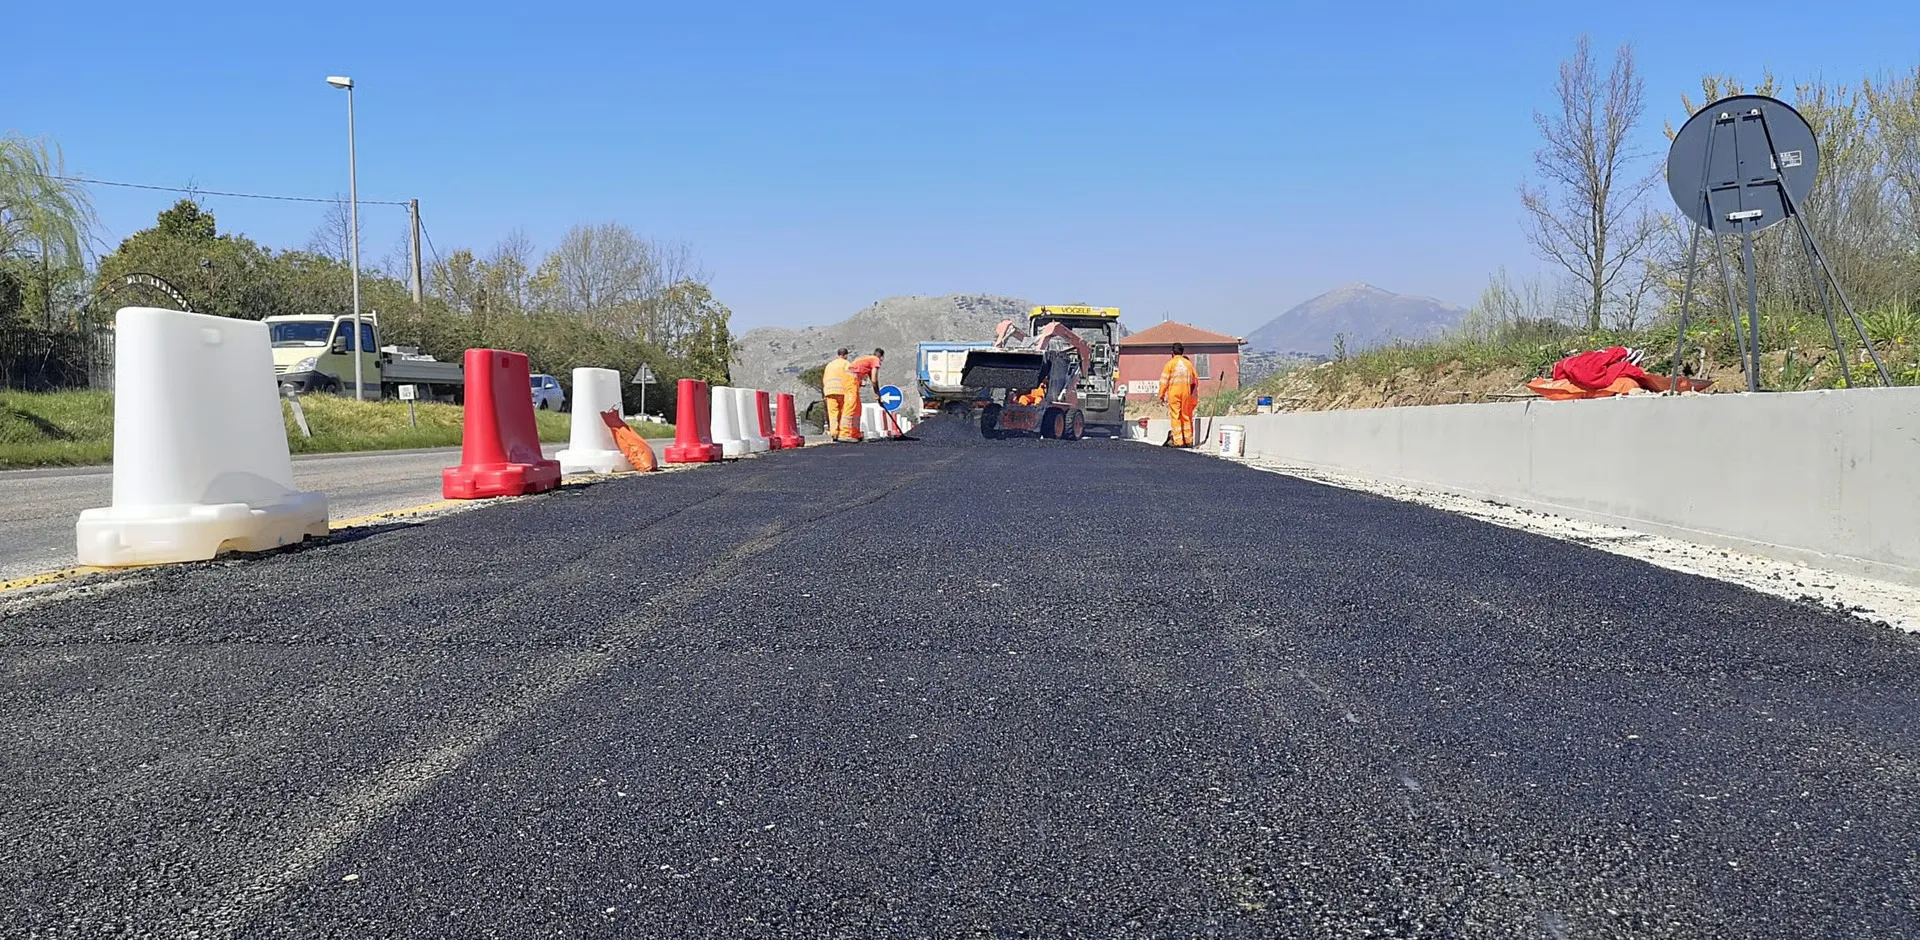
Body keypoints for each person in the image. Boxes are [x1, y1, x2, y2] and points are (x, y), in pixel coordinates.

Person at [1158, 342, 1199, 448]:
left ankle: (1179, 441)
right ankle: (1189, 440)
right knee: (1186, 415)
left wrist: (1161, 395)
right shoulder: (1188, 364)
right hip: (1186, 393)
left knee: (1175, 416)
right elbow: (1195, 380)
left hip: (1174, 394)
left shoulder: (1170, 364)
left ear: (1172, 352)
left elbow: (1164, 381)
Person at [844, 348, 885, 440]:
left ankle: (855, 434)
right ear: (881, 357)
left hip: (853, 379)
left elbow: (872, 381)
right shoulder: (875, 360)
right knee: (851, 405)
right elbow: (874, 380)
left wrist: (877, 395)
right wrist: (878, 396)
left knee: (857, 406)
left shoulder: (868, 359)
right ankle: (845, 433)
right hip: (852, 378)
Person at [822, 348, 852, 442]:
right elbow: (850, 377)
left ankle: (834, 433)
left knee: (833, 414)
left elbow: (824, 379)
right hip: (842, 392)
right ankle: (843, 433)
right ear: (846, 355)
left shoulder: (830, 365)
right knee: (843, 413)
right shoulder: (846, 364)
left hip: (829, 392)